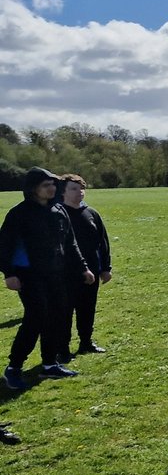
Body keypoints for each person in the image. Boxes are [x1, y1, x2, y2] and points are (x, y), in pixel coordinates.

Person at [0, 167, 94, 391]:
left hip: (56, 274)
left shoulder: (59, 211)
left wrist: (84, 269)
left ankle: (50, 364)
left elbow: (70, 244)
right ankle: (14, 368)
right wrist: (9, 274)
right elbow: (3, 246)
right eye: (45, 185)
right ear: (33, 189)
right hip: (29, 275)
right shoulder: (19, 214)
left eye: (52, 184)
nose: (51, 188)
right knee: (36, 318)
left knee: (56, 317)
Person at [60, 174, 113, 357]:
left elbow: (103, 242)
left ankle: (86, 342)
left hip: (92, 270)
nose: (79, 192)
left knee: (87, 308)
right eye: (73, 189)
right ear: (63, 192)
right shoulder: (59, 214)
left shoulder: (91, 213)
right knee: (65, 312)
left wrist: (106, 268)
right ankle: (63, 348)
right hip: (66, 273)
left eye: (81, 188)